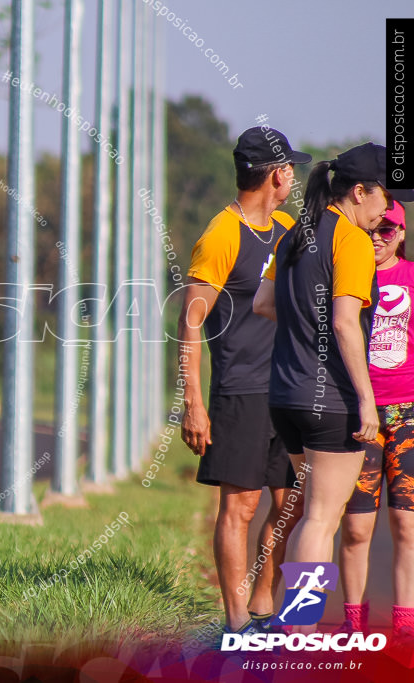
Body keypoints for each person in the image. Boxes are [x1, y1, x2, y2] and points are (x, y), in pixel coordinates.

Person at [253, 142, 414, 631]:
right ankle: (299, 628)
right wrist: (367, 400)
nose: (384, 211)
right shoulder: (350, 241)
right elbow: (347, 324)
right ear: (360, 191)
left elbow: (263, 302)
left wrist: (307, 319)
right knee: (321, 519)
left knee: (313, 515)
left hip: (285, 395)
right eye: (382, 198)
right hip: (332, 400)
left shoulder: (297, 232)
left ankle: (295, 624)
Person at [178, 126, 311, 635]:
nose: (293, 175)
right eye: (290, 168)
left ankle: (264, 598)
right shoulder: (220, 234)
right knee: (241, 505)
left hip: (291, 386)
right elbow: (189, 321)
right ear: (276, 174)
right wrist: (193, 400)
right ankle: (237, 624)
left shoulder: (287, 226)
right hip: (241, 388)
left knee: (293, 502)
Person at [336, 201, 414, 639]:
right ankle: (353, 622)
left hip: (408, 413)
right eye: (376, 227)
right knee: (355, 525)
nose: (380, 236)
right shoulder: (350, 273)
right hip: (358, 415)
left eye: (390, 230)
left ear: (401, 234)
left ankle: (405, 626)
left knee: (406, 523)